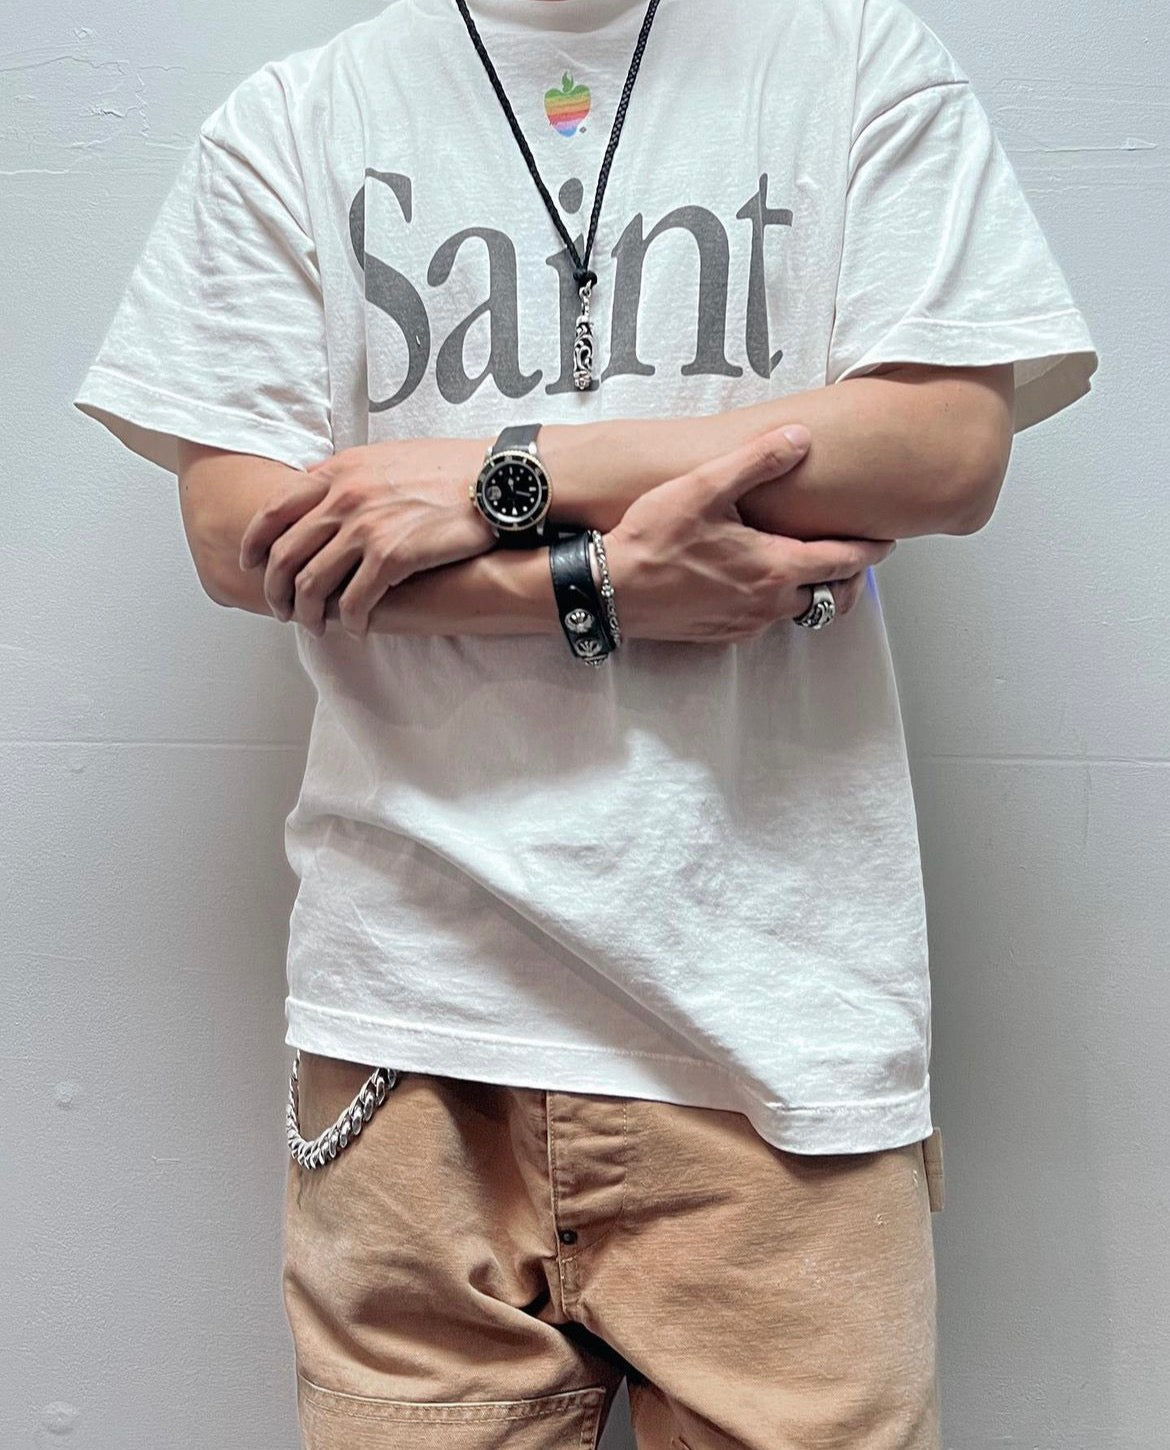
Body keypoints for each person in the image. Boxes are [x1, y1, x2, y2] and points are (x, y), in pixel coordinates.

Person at [72, 0, 1098, 1444]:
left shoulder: (857, 59)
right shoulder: (296, 118)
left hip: (775, 1022)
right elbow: (241, 533)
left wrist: (502, 471)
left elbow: (941, 448)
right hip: (415, 1029)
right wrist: (599, 582)